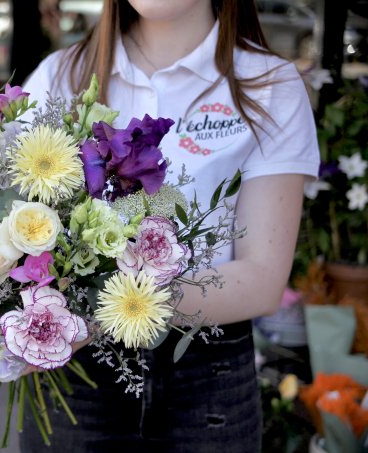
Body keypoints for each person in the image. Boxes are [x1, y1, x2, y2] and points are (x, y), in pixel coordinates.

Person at [19, 0, 320, 451]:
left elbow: (261, 281)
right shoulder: (60, 76)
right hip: (78, 379)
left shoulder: (268, 85)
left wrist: (99, 309)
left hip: (208, 378)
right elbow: (18, 235)